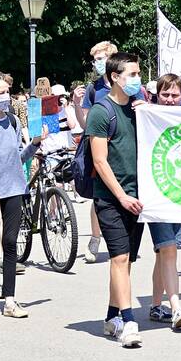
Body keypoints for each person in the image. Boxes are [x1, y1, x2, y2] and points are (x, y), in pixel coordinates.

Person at [86, 51, 146, 347]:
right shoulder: (101, 111)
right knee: (119, 257)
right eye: (132, 74)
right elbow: (100, 161)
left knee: (127, 261)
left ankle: (112, 315)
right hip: (111, 198)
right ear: (114, 77)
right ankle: (129, 320)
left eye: (138, 74)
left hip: (137, 197)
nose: (138, 79)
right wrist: (121, 196)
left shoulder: (137, 109)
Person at [0, 73, 41, 318]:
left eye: (8, 92)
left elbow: (19, 157)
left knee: (10, 243)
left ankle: (10, 301)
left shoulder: (13, 121)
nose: (7, 97)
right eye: (1, 93)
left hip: (14, 188)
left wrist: (34, 144)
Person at [146, 73, 181, 328]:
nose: (170, 99)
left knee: (163, 253)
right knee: (168, 250)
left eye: (175, 95)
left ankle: (156, 305)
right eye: (165, 94)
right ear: (157, 94)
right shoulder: (147, 115)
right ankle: (176, 307)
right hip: (158, 194)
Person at [82, 40, 118, 264]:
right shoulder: (93, 88)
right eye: (95, 60)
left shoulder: (127, 84)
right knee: (99, 196)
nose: (97, 63)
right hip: (99, 147)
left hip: (122, 146)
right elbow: (85, 121)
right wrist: (77, 105)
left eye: (101, 58)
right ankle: (95, 239)